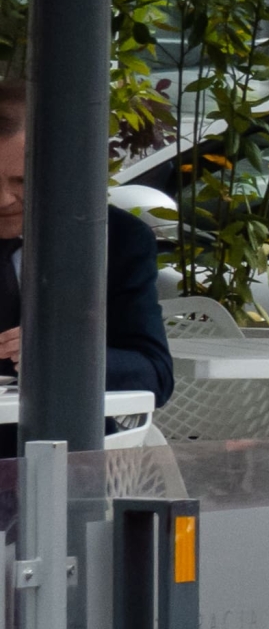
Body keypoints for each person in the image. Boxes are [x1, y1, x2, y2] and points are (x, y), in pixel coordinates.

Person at [0, 78, 172, 408]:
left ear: (62, 172)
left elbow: (155, 375)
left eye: (21, 180)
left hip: (71, 444)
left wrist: (69, 357)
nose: (3, 199)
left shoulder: (115, 239)